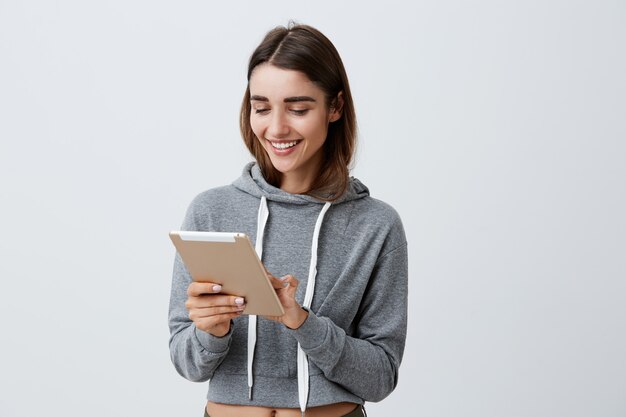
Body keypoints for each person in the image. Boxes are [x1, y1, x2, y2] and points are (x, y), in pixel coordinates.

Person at [168, 23, 408, 417]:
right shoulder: (211, 212)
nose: (276, 128)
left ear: (335, 107)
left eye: (298, 109)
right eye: (261, 107)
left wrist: (301, 322)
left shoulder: (375, 225)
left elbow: (380, 378)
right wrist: (212, 330)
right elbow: (187, 362)